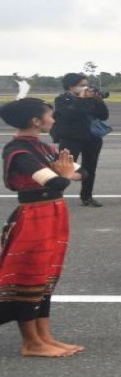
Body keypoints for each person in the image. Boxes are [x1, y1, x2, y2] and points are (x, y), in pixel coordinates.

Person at [2, 98, 83, 357]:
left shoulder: (42, 147)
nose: (53, 120)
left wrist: (65, 175)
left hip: (52, 213)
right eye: (50, 116)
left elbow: (82, 173)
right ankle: (31, 342)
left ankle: (45, 336)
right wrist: (65, 176)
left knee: (47, 276)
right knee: (30, 275)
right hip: (34, 216)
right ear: (35, 121)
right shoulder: (18, 151)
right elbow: (57, 182)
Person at [51, 72, 109, 207]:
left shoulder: (91, 99)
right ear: (71, 86)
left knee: (90, 168)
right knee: (65, 167)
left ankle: (87, 196)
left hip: (92, 138)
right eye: (81, 85)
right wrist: (82, 99)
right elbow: (70, 114)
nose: (85, 88)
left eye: (86, 85)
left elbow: (104, 116)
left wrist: (99, 100)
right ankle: (55, 195)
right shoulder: (62, 100)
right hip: (70, 138)